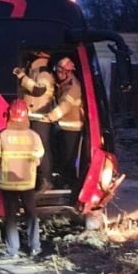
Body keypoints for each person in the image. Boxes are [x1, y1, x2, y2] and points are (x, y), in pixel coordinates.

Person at [0, 99, 45, 259]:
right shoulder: (34, 136)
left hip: (8, 184)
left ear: (9, 116)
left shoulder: (1, 136)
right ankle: (35, 248)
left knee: (11, 217)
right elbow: (40, 155)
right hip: (27, 183)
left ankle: (13, 250)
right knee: (31, 215)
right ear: (27, 116)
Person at [12, 51, 56, 191]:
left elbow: (39, 90)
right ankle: (41, 179)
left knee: (42, 149)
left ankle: (46, 180)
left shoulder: (44, 73)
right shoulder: (36, 72)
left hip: (40, 118)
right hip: (35, 117)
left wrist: (23, 78)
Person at [43, 56, 84, 188]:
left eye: (62, 71)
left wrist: (50, 117)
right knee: (61, 155)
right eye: (58, 70)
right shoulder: (64, 83)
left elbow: (65, 106)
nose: (59, 73)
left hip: (72, 128)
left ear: (68, 72)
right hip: (64, 126)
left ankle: (69, 183)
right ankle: (61, 179)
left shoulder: (74, 87)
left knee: (69, 158)